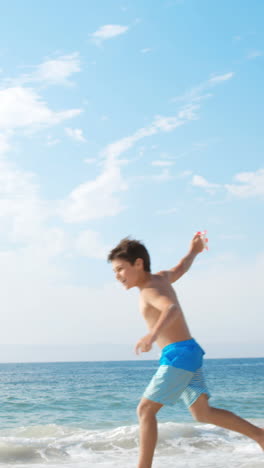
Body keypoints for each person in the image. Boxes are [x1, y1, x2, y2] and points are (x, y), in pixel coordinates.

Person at [108, 233, 264, 468]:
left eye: (120, 269)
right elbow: (181, 268)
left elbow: (170, 309)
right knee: (203, 413)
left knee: (145, 410)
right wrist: (194, 251)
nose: (117, 276)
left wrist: (153, 334)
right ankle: (260, 435)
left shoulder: (150, 290)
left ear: (138, 263)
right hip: (187, 353)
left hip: (179, 354)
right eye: (114, 272)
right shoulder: (161, 278)